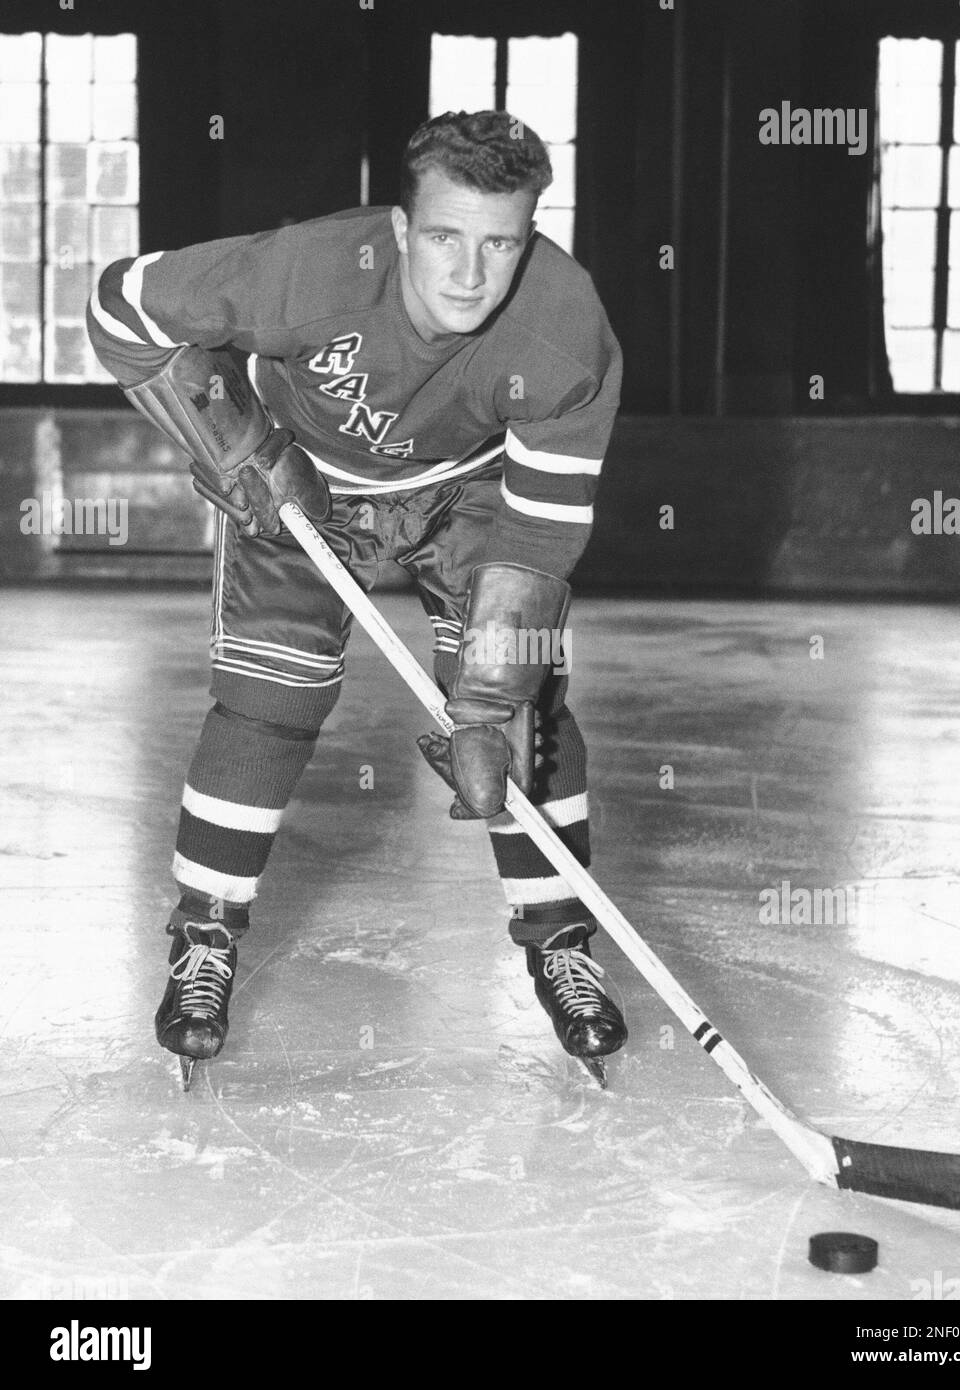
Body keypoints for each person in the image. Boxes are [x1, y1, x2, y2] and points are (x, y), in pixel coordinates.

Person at [86, 110, 626, 1089]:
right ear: (400, 227)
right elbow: (122, 308)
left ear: (531, 236)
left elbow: (536, 536)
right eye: (446, 238)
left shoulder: (566, 331)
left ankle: (558, 937)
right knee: (269, 693)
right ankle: (204, 933)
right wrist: (235, 443)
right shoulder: (306, 272)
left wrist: (489, 701)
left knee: (528, 709)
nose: (469, 272)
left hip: (471, 490)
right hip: (302, 484)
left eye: (498, 243)